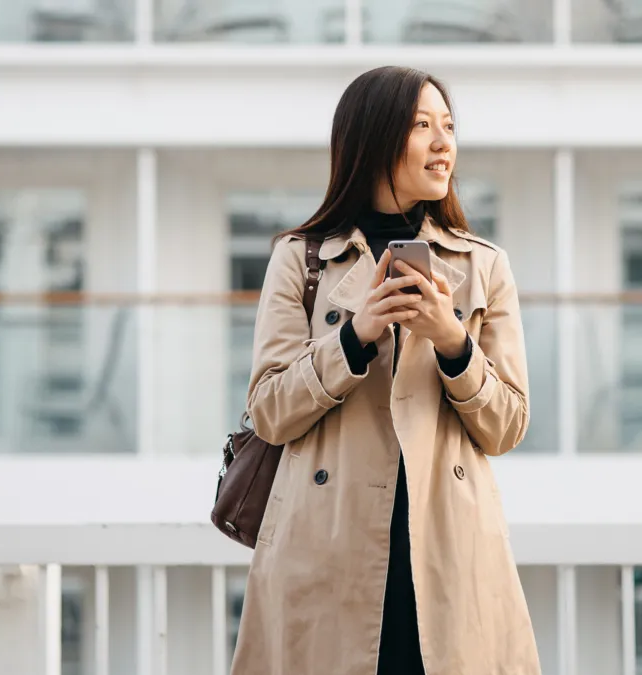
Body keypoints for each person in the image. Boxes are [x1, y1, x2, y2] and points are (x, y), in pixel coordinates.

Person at [231, 65, 540, 675]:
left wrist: (453, 342)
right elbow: (268, 411)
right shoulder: (302, 259)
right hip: (328, 549)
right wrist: (355, 336)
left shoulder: (482, 266)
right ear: (374, 139)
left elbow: (507, 427)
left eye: (448, 126)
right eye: (421, 125)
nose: (443, 143)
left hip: (447, 550)